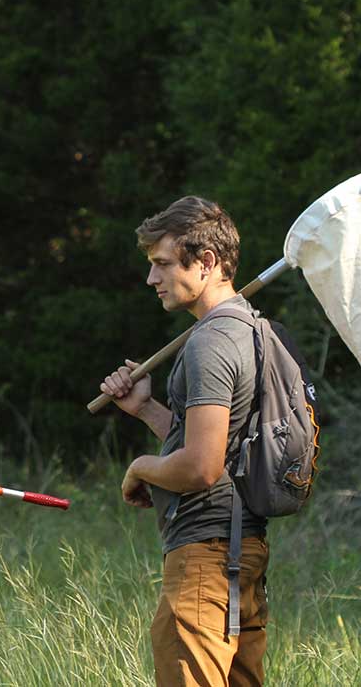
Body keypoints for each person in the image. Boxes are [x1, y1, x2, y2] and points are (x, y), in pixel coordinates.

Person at [100, 196, 267, 687]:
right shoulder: (251, 328)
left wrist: (140, 467)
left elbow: (200, 467)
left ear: (207, 263)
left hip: (205, 560)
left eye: (163, 264)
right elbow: (223, 442)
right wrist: (149, 411)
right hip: (243, 550)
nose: (152, 279)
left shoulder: (211, 341)